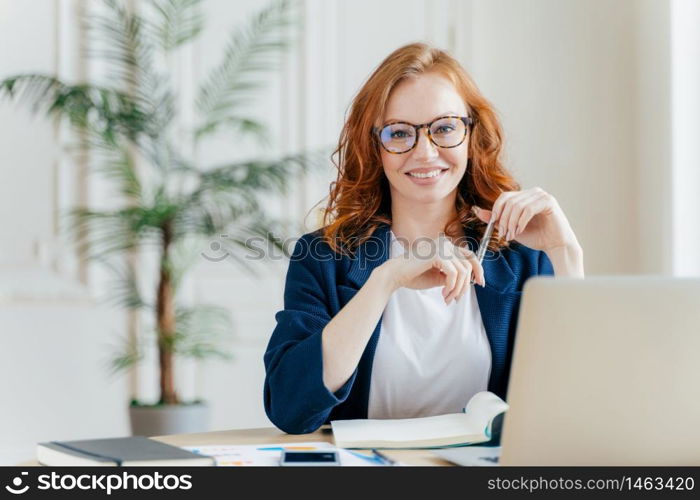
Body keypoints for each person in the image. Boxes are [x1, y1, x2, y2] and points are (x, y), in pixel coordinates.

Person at [263, 42, 584, 434]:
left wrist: (564, 253)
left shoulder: (520, 257)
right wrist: (384, 282)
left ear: (471, 134)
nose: (425, 152)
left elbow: (573, 404)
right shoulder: (323, 257)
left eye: (445, 128)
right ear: (374, 146)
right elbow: (289, 408)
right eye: (400, 133)